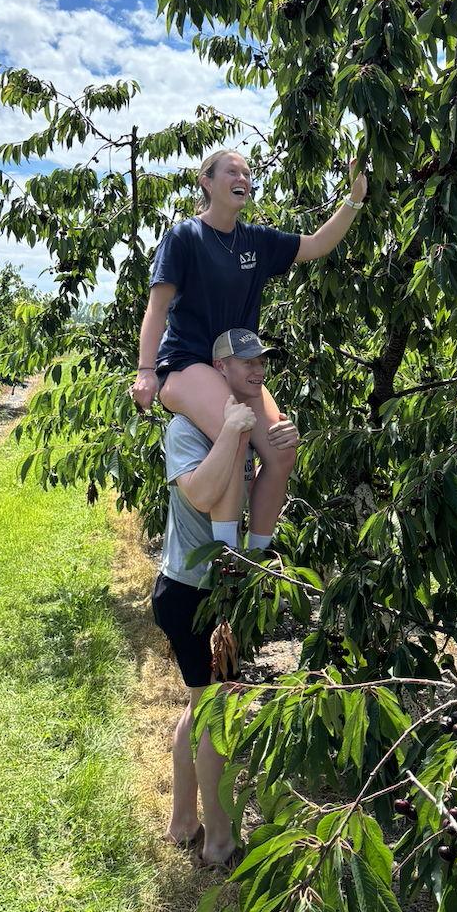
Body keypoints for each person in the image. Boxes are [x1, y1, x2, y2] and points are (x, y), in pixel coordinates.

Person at [130, 148, 366, 552]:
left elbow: (318, 244)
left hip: (237, 366)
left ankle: (257, 556)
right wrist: (146, 371)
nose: (243, 178)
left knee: (282, 450)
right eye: (232, 171)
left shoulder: (256, 240)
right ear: (206, 182)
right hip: (187, 364)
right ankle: (228, 560)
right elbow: (157, 307)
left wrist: (355, 198)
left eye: (247, 173)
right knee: (235, 429)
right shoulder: (184, 237)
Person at [153, 329, 298, 868]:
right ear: (219, 370)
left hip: (220, 590)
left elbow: (258, 491)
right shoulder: (185, 427)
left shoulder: (243, 422)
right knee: (216, 712)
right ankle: (218, 840)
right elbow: (200, 493)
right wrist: (231, 436)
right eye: (246, 362)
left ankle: (183, 822)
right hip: (190, 593)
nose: (258, 370)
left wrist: (275, 450)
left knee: (202, 705)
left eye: (262, 361)